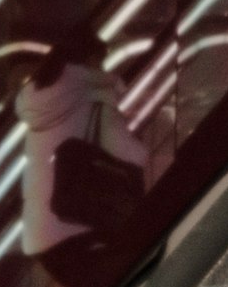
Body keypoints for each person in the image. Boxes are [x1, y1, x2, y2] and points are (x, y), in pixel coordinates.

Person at [16, 29, 149, 257]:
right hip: (82, 230)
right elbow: (131, 155)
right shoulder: (96, 95)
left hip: (38, 238)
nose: (104, 68)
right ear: (89, 60)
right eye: (101, 61)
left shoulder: (37, 99)